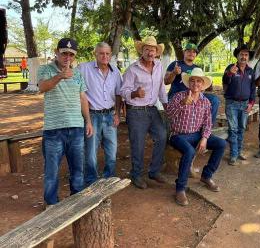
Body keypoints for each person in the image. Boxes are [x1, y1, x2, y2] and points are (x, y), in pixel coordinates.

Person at [37, 38, 93, 205]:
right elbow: (42, 87)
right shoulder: (45, 69)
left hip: (76, 128)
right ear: (57, 52)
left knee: (77, 170)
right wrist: (60, 76)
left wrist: (88, 121)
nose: (67, 57)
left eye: (71, 54)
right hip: (54, 130)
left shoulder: (78, 74)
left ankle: (76, 202)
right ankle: (51, 204)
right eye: (64, 53)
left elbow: (83, 98)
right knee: (52, 171)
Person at [167, 67, 226, 206]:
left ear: (202, 85)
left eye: (198, 81)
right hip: (178, 135)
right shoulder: (179, 96)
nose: (195, 84)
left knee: (221, 144)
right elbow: (169, 115)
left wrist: (205, 138)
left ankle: (206, 176)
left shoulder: (205, 102)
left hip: (197, 135)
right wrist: (182, 104)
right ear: (189, 83)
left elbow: (208, 123)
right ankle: (180, 188)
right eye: (192, 81)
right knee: (189, 151)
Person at [120, 36, 168, 189]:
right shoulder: (132, 69)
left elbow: (161, 87)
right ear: (142, 51)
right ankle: (136, 175)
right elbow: (123, 91)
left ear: (156, 52)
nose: (150, 52)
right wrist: (134, 93)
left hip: (153, 109)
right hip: (136, 111)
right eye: (146, 49)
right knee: (138, 144)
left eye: (152, 49)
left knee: (162, 136)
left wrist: (166, 106)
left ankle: (154, 171)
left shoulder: (159, 66)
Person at [78, 42, 123, 186]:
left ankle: (109, 179)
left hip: (110, 115)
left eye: (107, 53)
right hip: (92, 116)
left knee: (112, 150)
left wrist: (117, 114)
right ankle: (91, 181)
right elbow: (78, 91)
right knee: (91, 151)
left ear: (111, 55)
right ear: (95, 54)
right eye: (101, 53)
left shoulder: (115, 72)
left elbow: (118, 95)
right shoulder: (84, 68)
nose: (104, 56)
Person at [164, 43, 220, 124]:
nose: (191, 53)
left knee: (214, 99)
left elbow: (201, 87)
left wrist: (205, 88)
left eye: (194, 52)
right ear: (184, 52)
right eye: (189, 51)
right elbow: (166, 82)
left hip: (194, 95)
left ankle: (208, 126)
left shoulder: (197, 68)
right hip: (177, 95)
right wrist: (174, 73)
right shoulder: (175, 64)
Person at [222, 44, 256, 165]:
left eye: (246, 55)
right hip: (232, 104)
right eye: (241, 54)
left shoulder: (251, 71)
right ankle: (233, 154)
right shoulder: (230, 67)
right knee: (233, 129)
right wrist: (230, 74)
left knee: (241, 128)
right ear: (237, 55)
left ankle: (239, 151)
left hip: (245, 104)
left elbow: (253, 89)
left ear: (248, 57)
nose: (244, 57)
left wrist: (251, 103)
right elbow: (225, 83)